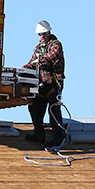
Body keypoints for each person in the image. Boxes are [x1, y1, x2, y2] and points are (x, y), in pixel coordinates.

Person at [23, 20, 66, 148]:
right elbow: (32, 63)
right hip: (41, 84)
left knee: (53, 110)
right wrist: (23, 69)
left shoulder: (56, 44)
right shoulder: (37, 48)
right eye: (39, 35)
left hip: (54, 83)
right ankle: (39, 134)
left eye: (43, 34)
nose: (41, 37)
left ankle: (58, 137)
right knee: (35, 108)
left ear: (48, 32)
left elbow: (53, 55)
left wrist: (39, 59)